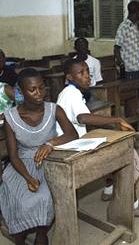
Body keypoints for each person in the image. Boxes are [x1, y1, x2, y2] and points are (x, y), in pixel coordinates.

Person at [56, 58, 139, 217]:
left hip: (74, 144)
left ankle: (110, 188)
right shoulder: (71, 93)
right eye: (81, 73)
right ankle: (133, 204)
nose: (87, 76)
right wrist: (118, 119)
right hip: (73, 151)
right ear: (69, 77)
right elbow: (83, 118)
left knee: (113, 140)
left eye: (88, 72)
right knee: (127, 152)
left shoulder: (68, 92)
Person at [0, 68, 78, 245]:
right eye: (32, 89)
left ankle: (41, 235)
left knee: (43, 198)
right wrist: (28, 178)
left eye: (42, 88)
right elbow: (13, 155)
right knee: (18, 199)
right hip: (20, 166)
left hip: (47, 162)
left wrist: (50, 144)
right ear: (20, 91)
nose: (39, 94)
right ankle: (19, 236)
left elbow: (72, 134)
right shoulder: (11, 117)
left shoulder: (53, 109)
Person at [114, 1, 139, 113]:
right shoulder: (124, 26)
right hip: (130, 68)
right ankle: (133, 121)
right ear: (137, 12)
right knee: (132, 98)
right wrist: (122, 65)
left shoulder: (134, 26)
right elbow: (116, 48)